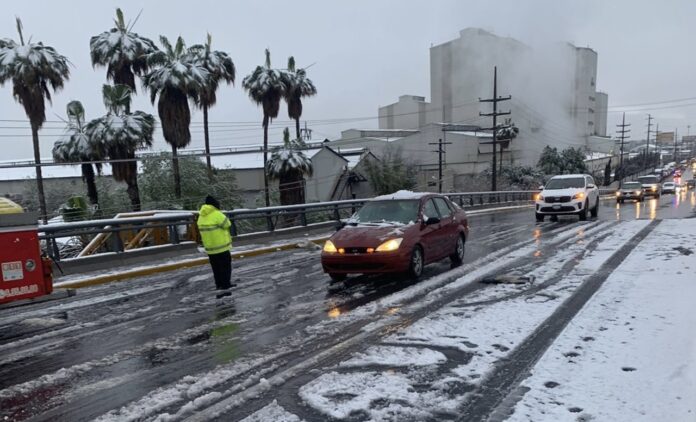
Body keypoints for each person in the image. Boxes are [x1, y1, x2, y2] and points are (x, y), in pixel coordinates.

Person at [197, 195, 235, 297]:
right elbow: (228, 224)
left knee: (216, 268)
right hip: (221, 246)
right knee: (225, 266)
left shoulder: (201, 215)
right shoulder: (217, 214)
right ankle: (226, 284)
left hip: (210, 248)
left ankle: (219, 285)